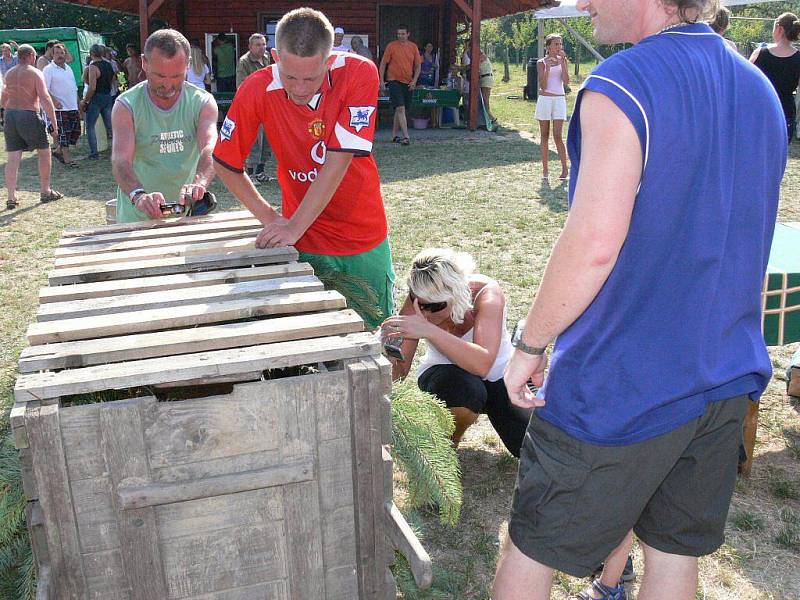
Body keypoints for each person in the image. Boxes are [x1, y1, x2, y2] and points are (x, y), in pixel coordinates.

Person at [492, 0, 786, 595]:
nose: (582, 4)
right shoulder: (759, 88)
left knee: (531, 546)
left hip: (620, 382)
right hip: (722, 374)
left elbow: (595, 242)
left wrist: (529, 343)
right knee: (674, 560)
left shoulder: (621, 82)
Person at [213, 7, 395, 329]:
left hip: (360, 236)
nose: (299, 88)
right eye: (290, 76)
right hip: (303, 244)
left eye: (310, 78)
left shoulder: (359, 73)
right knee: (315, 346)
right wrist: (271, 217)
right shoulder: (256, 87)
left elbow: (338, 159)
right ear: (274, 57)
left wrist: (294, 225)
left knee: (375, 338)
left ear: (329, 60)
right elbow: (225, 161)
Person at [382, 249, 533, 457]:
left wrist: (429, 331)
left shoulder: (486, 293)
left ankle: (525, 371)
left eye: (434, 306)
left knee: (530, 450)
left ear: (456, 293)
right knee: (464, 390)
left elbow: (483, 364)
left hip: (499, 374)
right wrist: (385, 353)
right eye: (418, 302)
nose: (424, 312)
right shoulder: (419, 298)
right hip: (447, 374)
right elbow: (399, 373)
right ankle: (448, 442)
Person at [111, 29, 218, 223]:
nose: (168, 85)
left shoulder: (202, 102)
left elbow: (211, 147)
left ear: (188, 66)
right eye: (160, 76)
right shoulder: (126, 105)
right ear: (144, 63)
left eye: (177, 76)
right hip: (137, 216)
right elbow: (121, 159)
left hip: (184, 216)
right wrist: (139, 195)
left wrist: (199, 183)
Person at [1, 44, 63, 209]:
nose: (35, 59)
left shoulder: (9, 73)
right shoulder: (35, 73)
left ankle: (11, 197)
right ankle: (45, 191)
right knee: (44, 152)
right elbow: (45, 98)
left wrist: (4, 115)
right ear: (29, 56)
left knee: (13, 157)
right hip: (28, 114)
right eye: (34, 56)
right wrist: (54, 124)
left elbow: (4, 97)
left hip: (10, 115)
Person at [750, 13, 800, 143]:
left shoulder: (760, 53)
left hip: (761, 109)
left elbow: (746, 82)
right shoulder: (798, 58)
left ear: (779, 28)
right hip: (786, 110)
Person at [236, 33, 271, 182]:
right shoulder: (244, 62)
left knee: (267, 140)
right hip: (252, 107)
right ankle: (250, 174)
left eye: (263, 44)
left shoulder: (267, 57)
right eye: (258, 45)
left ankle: (260, 172)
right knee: (254, 140)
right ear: (250, 46)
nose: (262, 48)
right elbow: (241, 86)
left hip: (267, 106)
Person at [535, 33, 570, 182]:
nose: (559, 47)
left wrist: (562, 63)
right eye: (556, 44)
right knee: (544, 135)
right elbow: (542, 85)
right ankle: (545, 169)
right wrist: (548, 68)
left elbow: (567, 81)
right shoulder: (541, 62)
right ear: (548, 46)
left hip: (559, 100)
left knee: (557, 135)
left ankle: (564, 168)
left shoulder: (563, 60)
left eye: (560, 44)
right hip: (545, 99)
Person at [379, 26, 421, 146]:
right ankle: (406, 136)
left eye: (403, 34)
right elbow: (383, 63)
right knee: (400, 108)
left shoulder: (413, 47)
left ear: (408, 34)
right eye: (398, 34)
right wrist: (381, 80)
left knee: (400, 109)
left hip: (407, 81)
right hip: (393, 80)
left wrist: (414, 81)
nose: (400, 36)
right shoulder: (391, 46)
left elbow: (418, 65)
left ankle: (394, 135)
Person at [43, 43, 80, 168]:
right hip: (59, 108)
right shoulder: (48, 69)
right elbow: (45, 89)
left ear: (65, 54)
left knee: (75, 133)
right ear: (52, 55)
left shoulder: (68, 68)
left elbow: (73, 87)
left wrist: (78, 102)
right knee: (64, 134)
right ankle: (68, 161)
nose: (60, 55)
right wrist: (54, 101)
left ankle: (58, 151)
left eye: (62, 53)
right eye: (57, 53)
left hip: (72, 106)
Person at [80, 44, 115, 160]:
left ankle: (94, 153)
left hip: (96, 98)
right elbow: (113, 80)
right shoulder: (108, 65)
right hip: (107, 96)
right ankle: (118, 149)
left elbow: (92, 87)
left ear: (91, 53)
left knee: (90, 126)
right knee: (110, 126)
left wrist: (85, 101)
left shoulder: (93, 67)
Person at [462, 46, 497, 126]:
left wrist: (460, 68)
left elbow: (473, 66)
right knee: (483, 101)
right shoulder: (480, 57)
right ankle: (487, 118)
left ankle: (491, 118)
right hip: (483, 78)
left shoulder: (482, 57)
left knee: (485, 100)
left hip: (486, 78)